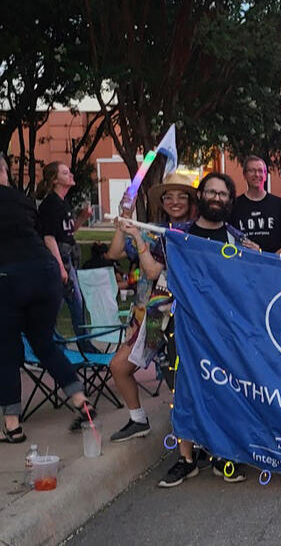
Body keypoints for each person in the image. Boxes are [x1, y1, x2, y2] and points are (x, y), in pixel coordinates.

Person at [159, 172, 255, 487]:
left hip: (223, 328)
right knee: (184, 389)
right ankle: (186, 459)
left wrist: (253, 260)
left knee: (224, 389)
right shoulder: (177, 235)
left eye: (222, 194)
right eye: (211, 192)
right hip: (185, 325)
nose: (216, 198)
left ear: (229, 201)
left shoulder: (237, 240)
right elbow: (155, 270)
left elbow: (247, 285)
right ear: (200, 196)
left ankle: (222, 454)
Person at [1, 153, 95, 443]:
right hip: (46, 273)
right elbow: (41, 235)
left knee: (7, 350)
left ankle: (12, 425)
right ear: (5, 171)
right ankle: (80, 400)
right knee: (44, 343)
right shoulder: (23, 201)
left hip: (10, 277)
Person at [105, 171, 198, 443]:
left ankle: (194, 438)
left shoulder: (193, 233)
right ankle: (138, 420)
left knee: (181, 378)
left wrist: (138, 235)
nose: (175, 201)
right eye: (170, 196)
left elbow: (153, 270)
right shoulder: (153, 230)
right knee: (120, 367)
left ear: (191, 201)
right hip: (148, 314)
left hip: (178, 314)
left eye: (182, 196)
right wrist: (124, 219)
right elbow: (115, 252)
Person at [36, 161, 94, 351]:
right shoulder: (51, 204)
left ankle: (82, 344)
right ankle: (51, 344)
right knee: (56, 305)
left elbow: (68, 231)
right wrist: (60, 266)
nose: (70, 175)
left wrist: (82, 217)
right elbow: (49, 237)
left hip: (67, 259)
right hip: (58, 260)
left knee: (76, 303)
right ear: (55, 180)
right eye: (65, 173)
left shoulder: (63, 203)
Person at [229, 155, 281, 252]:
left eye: (260, 171)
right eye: (252, 171)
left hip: (272, 260)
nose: (256, 174)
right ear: (244, 175)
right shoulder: (234, 205)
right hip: (243, 259)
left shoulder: (279, 205)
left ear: (265, 175)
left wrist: (277, 256)